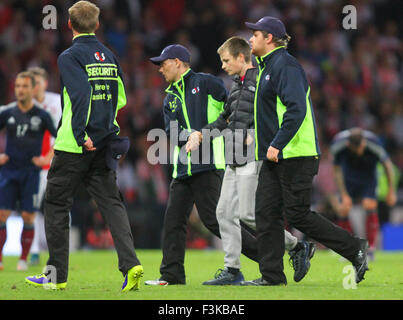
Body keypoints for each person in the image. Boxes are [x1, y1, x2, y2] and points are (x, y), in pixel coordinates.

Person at [240, 16, 369, 286]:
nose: (250, 38)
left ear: (270, 38)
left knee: (297, 214)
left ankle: (354, 248)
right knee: (265, 213)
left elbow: (296, 109)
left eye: (255, 34)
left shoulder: (284, 66)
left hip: (296, 153)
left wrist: (277, 142)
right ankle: (272, 276)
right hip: (276, 155)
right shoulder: (268, 67)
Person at [25, 1, 143, 291]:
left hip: (74, 145)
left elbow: (81, 94)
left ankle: (56, 277)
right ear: (97, 24)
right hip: (105, 143)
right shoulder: (110, 56)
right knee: (111, 204)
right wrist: (101, 127)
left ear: (69, 24)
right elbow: (122, 100)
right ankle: (132, 266)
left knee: (55, 204)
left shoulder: (69, 56)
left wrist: (80, 134)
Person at [186, 36, 315, 285]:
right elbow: (226, 119)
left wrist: (254, 136)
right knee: (223, 212)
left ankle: (297, 246)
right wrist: (201, 134)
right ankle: (232, 269)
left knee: (248, 214)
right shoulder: (237, 85)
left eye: (226, 60)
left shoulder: (262, 80)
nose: (223, 66)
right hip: (234, 158)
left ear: (241, 57)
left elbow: (272, 116)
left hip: (253, 158)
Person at [145, 44, 260, 286]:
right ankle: (171, 276)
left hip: (209, 164)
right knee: (173, 220)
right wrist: (190, 136)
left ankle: (266, 256)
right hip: (183, 167)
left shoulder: (207, 83)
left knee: (215, 221)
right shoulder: (169, 98)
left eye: (163, 63)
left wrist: (208, 135)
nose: (159, 69)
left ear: (178, 62)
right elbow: (172, 134)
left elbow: (232, 112)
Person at [0, 71, 57, 271]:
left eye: (24, 86)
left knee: (28, 216)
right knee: (2, 214)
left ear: (32, 89)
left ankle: (23, 259)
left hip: (31, 172)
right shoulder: (8, 113)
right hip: (9, 171)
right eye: (17, 86)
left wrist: (46, 158)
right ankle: (0, 258)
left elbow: (58, 137)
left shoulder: (42, 115)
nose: (20, 90)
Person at [331, 128, 397, 260]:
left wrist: (391, 191)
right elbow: (336, 170)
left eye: (361, 148)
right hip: (349, 176)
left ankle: (371, 249)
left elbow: (388, 166)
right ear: (348, 145)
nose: (359, 151)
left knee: (369, 204)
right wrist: (343, 194)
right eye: (356, 150)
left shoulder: (374, 143)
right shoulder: (338, 145)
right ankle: (348, 249)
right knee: (344, 209)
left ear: (364, 143)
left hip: (368, 176)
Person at [27, 66, 62, 266]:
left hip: (55, 164)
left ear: (45, 83)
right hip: (33, 166)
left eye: (37, 82)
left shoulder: (57, 102)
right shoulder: (24, 106)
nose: (34, 87)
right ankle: (33, 252)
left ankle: (59, 249)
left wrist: (50, 155)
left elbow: (63, 132)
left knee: (58, 207)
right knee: (30, 208)